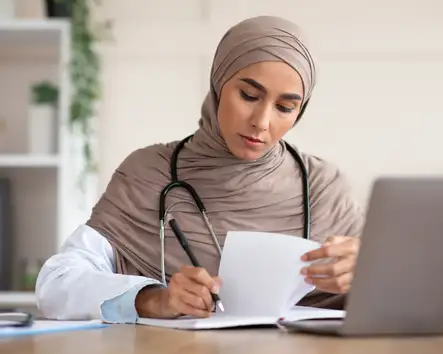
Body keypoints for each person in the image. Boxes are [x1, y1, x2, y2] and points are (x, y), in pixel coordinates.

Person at [36, 15, 364, 322]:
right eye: (249, 95)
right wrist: (152, 299)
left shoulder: (323, 187)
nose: (262, 122)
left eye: (285, 107)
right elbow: (57, 283)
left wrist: (371, 273)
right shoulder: (150, 172)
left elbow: (399, 297)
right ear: (219, 84)